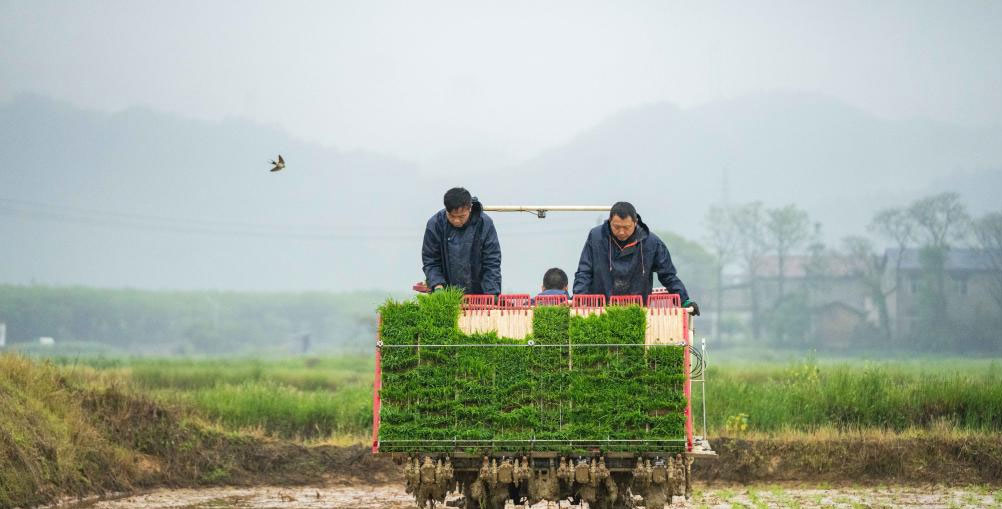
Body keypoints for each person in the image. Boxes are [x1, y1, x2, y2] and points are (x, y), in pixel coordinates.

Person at [572, 201, 699, 314]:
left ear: (635, 222)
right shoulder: (596, 237)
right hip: (600, 310)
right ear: (610, 222)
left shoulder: (651, 243)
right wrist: (578, 298)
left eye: (626, 227)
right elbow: (584, 271)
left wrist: (684, 301)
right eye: (616, 227)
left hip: (637, 311)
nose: (621, 232)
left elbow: (668, 275)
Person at [421, 187, 502, 295]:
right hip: (446, 293)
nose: (456, 220)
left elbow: (492, 261)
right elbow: (430, 260)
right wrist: (437, 285)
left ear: (470, 208)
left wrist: (492, 293)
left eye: (461, 216)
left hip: (479, 294)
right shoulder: (435, 224)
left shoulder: (484, 224)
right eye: (451, 216)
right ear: (446, 209)